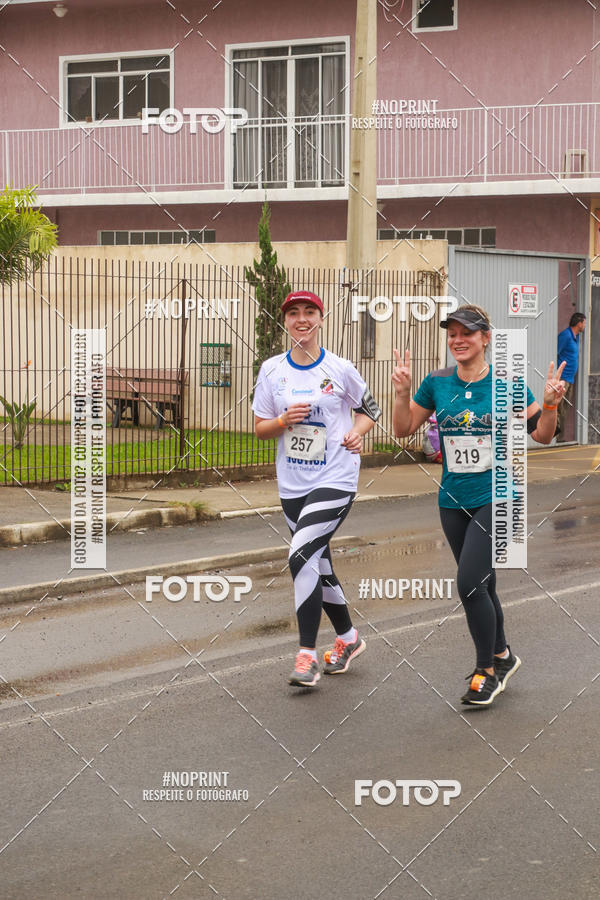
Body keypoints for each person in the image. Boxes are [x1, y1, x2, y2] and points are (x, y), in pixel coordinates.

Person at [392, 305, 566, 707]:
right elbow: (402, 429)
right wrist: (401, 395)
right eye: (452, 333)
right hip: (452, 499)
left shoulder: (507, 384)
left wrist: (552, 404)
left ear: (486, 338)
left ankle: (486, 671)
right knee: (483, 584)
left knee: (468, 582)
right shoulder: (436, 382)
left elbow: (542, 435)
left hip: (499, 496)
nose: (457, 339)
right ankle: (504, 655)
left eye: (466, 333)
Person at [253, 290, 381, 688]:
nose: (302, 319)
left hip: (336, 477)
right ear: (286, 321)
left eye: (310, 312)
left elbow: (369, 410)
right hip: (292, 483)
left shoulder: (340, 368)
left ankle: (306, 656)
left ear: (321, 319)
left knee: (301, 554)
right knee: (316, 563)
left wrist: (357, 433)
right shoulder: (272, 370)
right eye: (294, 313)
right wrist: (281, 421)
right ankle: (348, 639)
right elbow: (259, 428)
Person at [557, 312, 586, 440]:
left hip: (570, 379)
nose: (585, 325)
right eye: (584, 322)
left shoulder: (576, 337)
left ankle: (560, 438)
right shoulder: (566, 335)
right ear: (579, 323)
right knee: (558, 408)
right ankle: (554, 438)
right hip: (562, 379)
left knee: (564, 410)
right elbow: (556, 351)